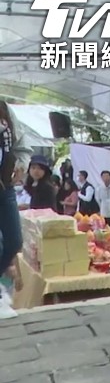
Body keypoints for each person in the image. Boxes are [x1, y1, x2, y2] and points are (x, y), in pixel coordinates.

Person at [0, 106, 21, 319]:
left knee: (14, 241)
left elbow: (20, 143)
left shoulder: (4, 109)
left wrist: (21, 163)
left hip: (5, 186)